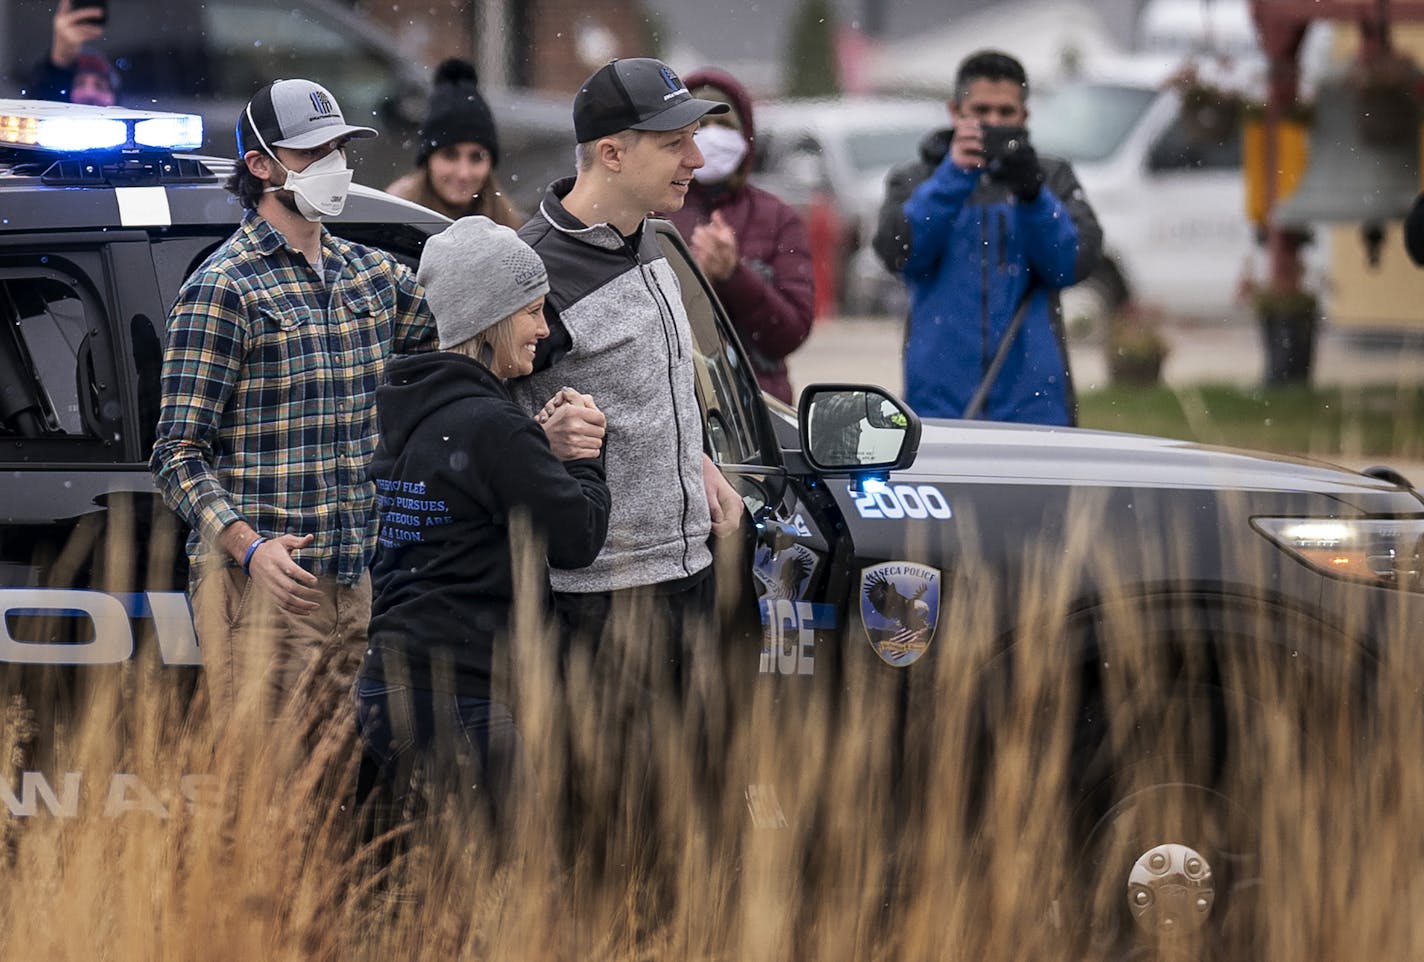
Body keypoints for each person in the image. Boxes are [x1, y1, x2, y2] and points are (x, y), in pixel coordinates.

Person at [151, 79, 436, 722]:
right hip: (262, 599)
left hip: (357, 588)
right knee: (267, 805)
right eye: (313, 153)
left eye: (340, 147)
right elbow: (176, 453)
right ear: (260, 165)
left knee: (340, 805)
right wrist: (250, 547)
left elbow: (471, 336)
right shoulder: (223, 288)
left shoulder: (372, 274)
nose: (334, 166)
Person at [355, 215, 610, 843]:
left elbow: (467, 494)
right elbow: (576, 540)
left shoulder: (409, 407)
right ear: (489, 319)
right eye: (531, 312)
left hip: (385, 693)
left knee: (385, 912)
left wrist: (533, 453)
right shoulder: (494, 428)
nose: (545, 329)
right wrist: (585, 461)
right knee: (514, 902)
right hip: (465, 699)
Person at [512, 56, 745, 652]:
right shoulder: (528, 271)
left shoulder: (645, 234)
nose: (696, 160)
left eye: (694, 140)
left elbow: (644, 393)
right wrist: (540, 442)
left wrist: (694, 461)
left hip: (688, 569)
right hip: (598, 597)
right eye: (675, 145)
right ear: (611, 154)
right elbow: (464, 430)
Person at [872, 49, 1103, 426]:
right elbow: (898, 252)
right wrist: (953, 177)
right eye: (981, 111)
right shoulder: (916, 178)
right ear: (955, 112)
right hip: (940, 407)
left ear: (1024, 117)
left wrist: (1033, 195)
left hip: (1035, 409)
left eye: (1005, 113)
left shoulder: (1052, 178)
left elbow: (1071, 264)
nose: (993, 122)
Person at [661, 68, 815, 405]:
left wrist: (735, 275)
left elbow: (792, 331)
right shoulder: (655, 209)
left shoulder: (777, 218)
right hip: (677, 400)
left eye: (725, 126)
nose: (712, 138)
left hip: (757, 407)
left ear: (745, 138)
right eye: (699, 128)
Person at [386, 58, 523, 229]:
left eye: (476, 157)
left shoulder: (512, 228)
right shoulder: (393, 220)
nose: (463, 174)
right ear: (428, 160)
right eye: (450, 155)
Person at [28, 0, 118, 106]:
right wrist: (63, 50)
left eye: (100, 86)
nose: (89, 93)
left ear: (115, 95)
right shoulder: (44, 111)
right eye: (79, 83)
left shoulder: (137, 117)